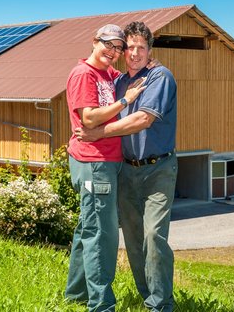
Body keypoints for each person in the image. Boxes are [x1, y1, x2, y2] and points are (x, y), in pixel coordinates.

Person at [76, 21, 178, 312]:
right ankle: (148, 297)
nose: (134, 53)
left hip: (158, 170)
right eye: (129, 47)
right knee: (133, 241)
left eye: (141, 48)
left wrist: (98, 133)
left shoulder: (160, 76)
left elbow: (142, 120)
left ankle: (161, 305)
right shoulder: (118, 82)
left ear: (150, 50)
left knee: (153, 236)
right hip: (127, 170)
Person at [64, 24, 146, 312]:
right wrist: (126, 100)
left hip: (107, 160)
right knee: (102, 232)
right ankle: (100, 305)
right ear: (94, 41)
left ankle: (76, 294)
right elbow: (89, 119)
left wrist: (152, 63)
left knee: (87, 227)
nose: (113, 52)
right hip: (93, 161)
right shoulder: (83, 74)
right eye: (108, 45)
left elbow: (130, 75)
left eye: (117, 48)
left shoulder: (107, 74)